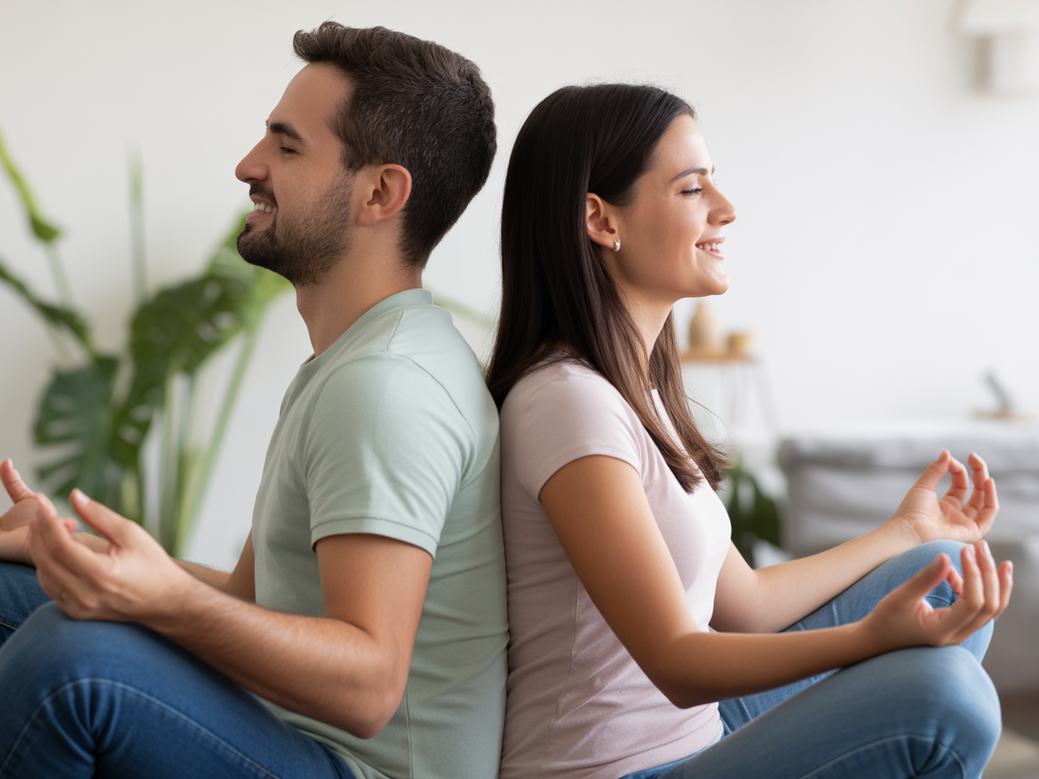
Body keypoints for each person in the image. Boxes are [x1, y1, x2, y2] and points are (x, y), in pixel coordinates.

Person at [0, 23, 507, 779]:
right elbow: (252, 598)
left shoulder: (387, 387)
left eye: (286, 146)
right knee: (17, 586)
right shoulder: (354, 359)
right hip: (297, 736)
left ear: (379, 193)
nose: (249, 165)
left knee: (72, 661)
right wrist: (76, 545)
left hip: (362, 766)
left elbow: (369, 684)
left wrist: (161, 598)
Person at [486, 82, 1014, 779]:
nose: (725, 210)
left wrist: (907, 533)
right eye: (690, 189)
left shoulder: (633, 392)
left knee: (934, 575)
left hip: (699, 732)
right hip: (619, 768)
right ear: (600, 219)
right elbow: (676, 659)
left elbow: (747, 605)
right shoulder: (566, 403)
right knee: (947, 700)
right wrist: (866, 637)